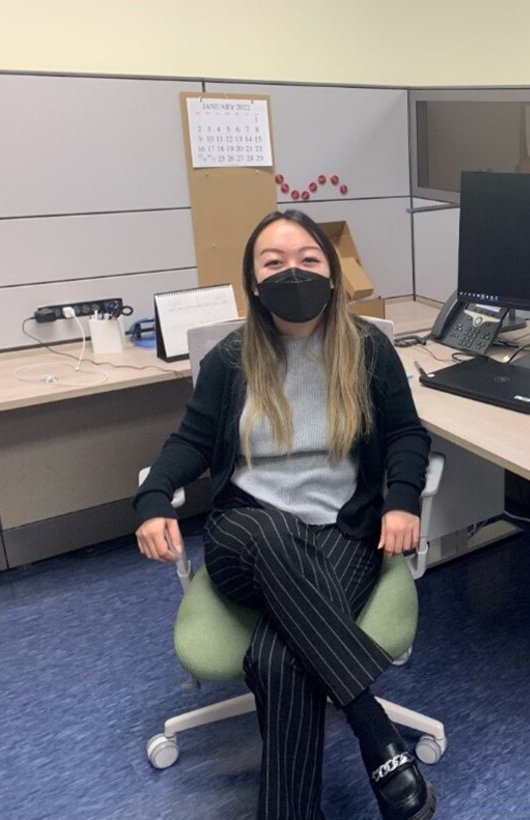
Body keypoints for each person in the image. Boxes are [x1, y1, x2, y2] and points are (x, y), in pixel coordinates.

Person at [134, 210, 436, 820]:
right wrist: (150, 500)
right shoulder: (230, 359)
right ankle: (371, 723)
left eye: (308, 259)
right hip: (245, 532)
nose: (292, 271)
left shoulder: (369, 349)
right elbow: (190, 443)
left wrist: (401, 499)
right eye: (273, 263)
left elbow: (407, 435)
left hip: (342, 535)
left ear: (332, 272)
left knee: (278, 659)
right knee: (270, 528)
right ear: (253, 281)